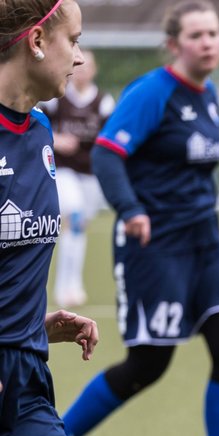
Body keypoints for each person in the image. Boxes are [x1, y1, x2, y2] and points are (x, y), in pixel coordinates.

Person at [60, 1, 219, 436]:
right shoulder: (152, 92)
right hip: (154, 246)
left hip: (206, 243)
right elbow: (109, 154)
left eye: (214, 34)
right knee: (148, 365)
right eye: (196, 34)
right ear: (173, 44)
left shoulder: (210, 96)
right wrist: (131, 209)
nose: (208, 42)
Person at [0, 0, 112, 436]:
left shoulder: (37, 131)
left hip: (23, 389)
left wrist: (34, 323)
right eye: (73, 39)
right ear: (35, 39)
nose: (78, 56)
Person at [43, 46, 111, 308]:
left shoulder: (103, 101)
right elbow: (36, 125)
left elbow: (110, 136)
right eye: (78, 66)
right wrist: (57, 140)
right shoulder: (56, 99)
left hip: (90, 174)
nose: (82, 71)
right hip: (63, 170)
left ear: (94, 70)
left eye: (87, 67)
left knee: (78, 228)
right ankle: (63, 287)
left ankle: (74, 284)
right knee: (73, 216)